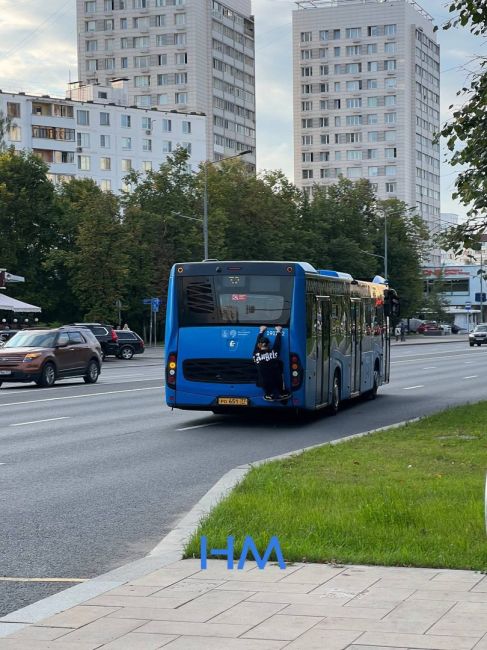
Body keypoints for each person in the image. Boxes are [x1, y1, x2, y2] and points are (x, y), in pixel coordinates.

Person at [253, 325, 290, 401]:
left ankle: (268, 394)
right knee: (279, 370)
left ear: (259, 345)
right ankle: (282, 393)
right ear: (269, 344)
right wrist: (279, 332)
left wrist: (261, 331)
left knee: (263, 375)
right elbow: (277, 344)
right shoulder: (274, 353)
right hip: (276, 381)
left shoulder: (256, 354)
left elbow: (257, 344)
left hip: (264, 383)